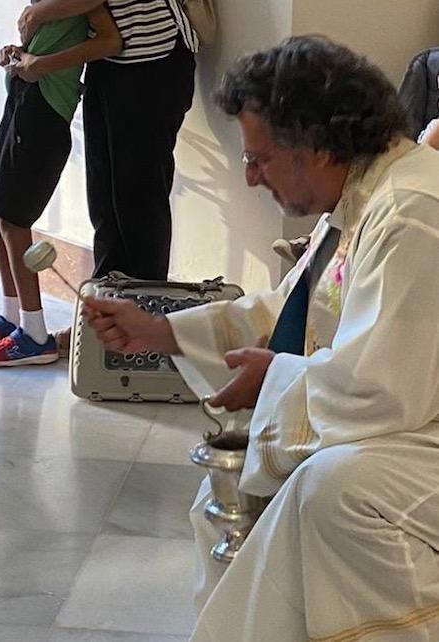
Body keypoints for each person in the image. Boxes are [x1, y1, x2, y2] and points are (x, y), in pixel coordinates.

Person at [84, 36, 439, 641]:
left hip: (417, 425)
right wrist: (160, 330)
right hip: (412, 421)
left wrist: (273, 379)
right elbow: (294, 311)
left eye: (260, 158)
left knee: (335, 492)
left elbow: (383, 394)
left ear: (317, 144)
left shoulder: (410, 212)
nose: (249, 178)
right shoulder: (365, 196)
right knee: (222, 491)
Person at [0, 3, 121, 366]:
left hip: (46, 108)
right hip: (23, 97)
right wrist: (19, 54)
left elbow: (109, 41)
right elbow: (47, 38)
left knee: (14, 219)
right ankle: (12, 317)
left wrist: (41, 65)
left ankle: (34, 334)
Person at [19, 0, 197, 282]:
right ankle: (106, 311)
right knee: (105, 203)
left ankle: (141, 312)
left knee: (139, 201)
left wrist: (37, 13)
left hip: (154, 62)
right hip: (107, 64)